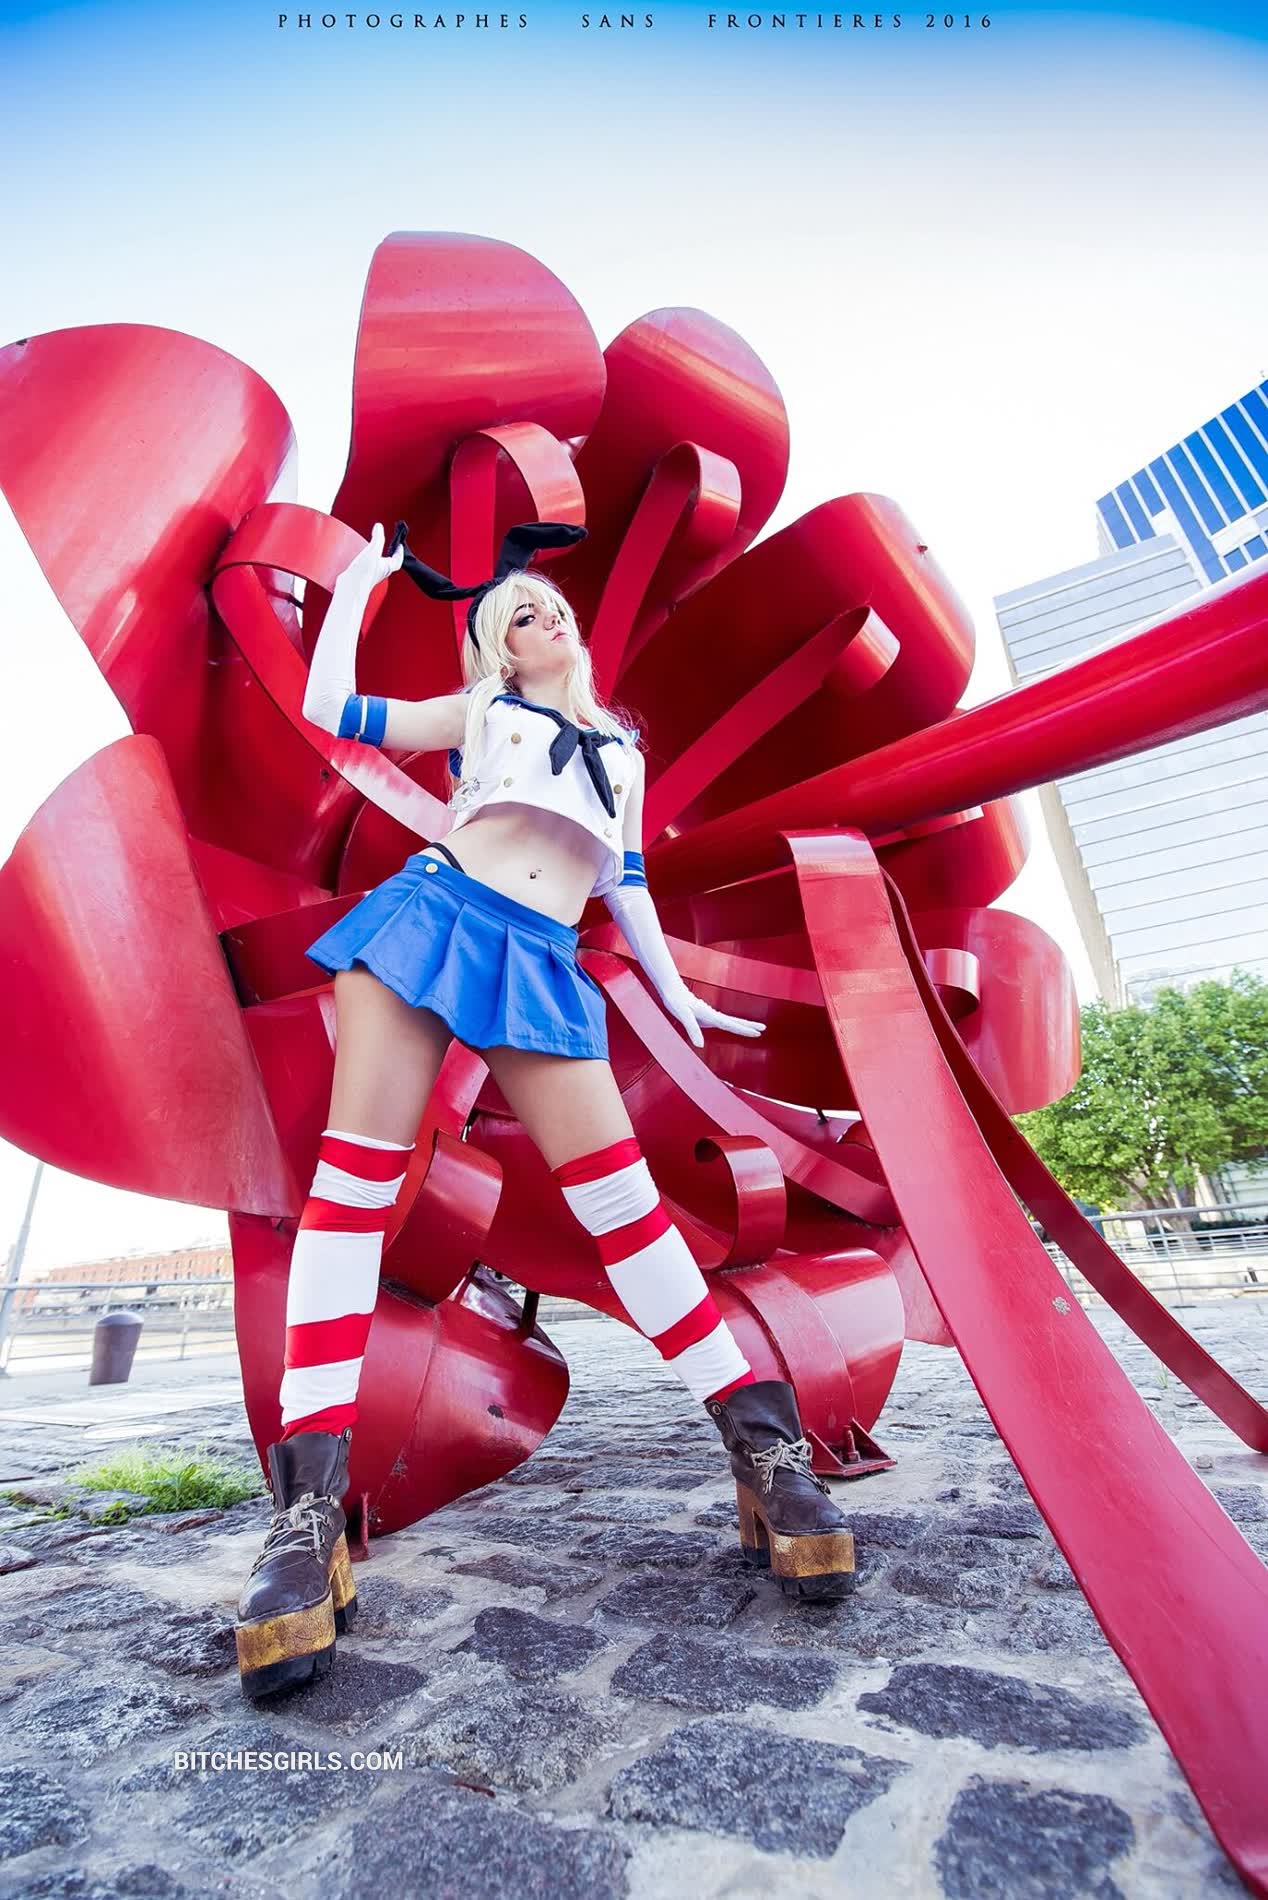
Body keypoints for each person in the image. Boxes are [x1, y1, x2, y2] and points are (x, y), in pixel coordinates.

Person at [233, 520, 856, 1701]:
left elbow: (629, 887)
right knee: (352, 1194)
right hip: (432, 916)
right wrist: (360, 586)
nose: (542, 616)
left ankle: (764, 1450)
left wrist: (681, 1001)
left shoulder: (621, 753)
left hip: (541, 956)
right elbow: (330, 708)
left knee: (626, 1213)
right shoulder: (480, 714)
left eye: (547, 604)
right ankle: (306, 1517)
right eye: (513, 613)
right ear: (496, 652)